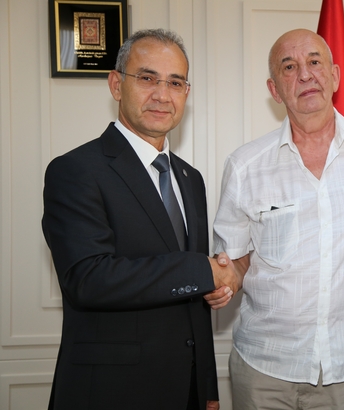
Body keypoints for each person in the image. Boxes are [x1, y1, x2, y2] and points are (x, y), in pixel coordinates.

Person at [205, 28, 344, 409]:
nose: (305, 74)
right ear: (274, 90)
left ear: (334, 76)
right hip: (264, 372)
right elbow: (234, 261)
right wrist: (221, 281)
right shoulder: (245, 166)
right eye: (289, 67)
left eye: (315, 62)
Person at [42, 28, 238, 410]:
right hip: (110, 393)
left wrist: (207, 389)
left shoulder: (191, 178)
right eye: (148, 78)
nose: (162, 95)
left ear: (186, 93)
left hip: (187, 393)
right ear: (116, 85)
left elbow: (192, 302)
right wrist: (203, 271)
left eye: (175, 83)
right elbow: (88, 279)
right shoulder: (75, 170)